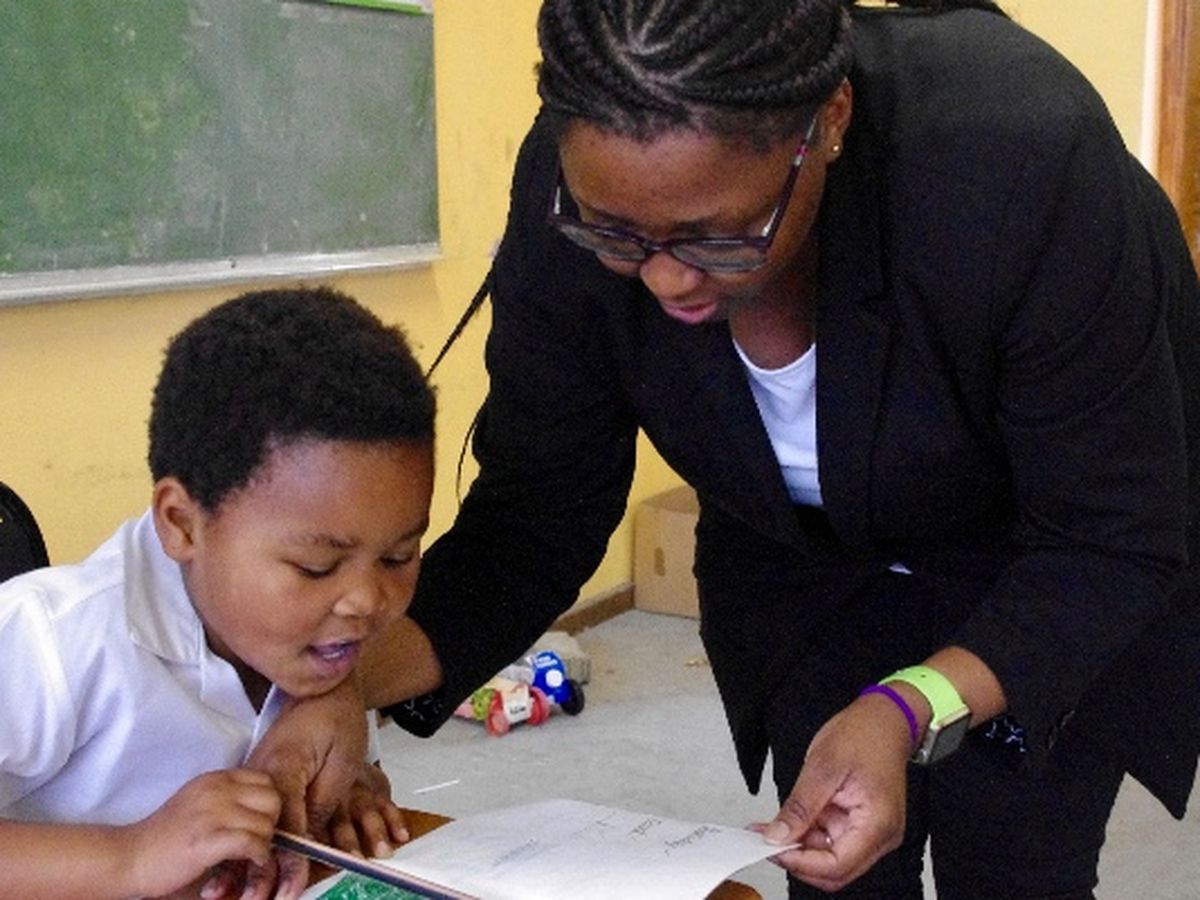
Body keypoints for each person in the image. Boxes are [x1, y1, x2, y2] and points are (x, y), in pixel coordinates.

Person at [254, 2, 1200, 897]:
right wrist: (345, 686)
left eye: (719, 237)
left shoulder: (1013, 157)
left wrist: (908, 704)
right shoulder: (580, 185)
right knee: (830, 854)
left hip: (1040, 563)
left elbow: (1106, 536)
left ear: (828, 122)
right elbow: (538, 508)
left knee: (1017, 857)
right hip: (805, 572)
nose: (665, 280)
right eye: (618, 236)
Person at [0, 286, 435, 899]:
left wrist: (342, 800)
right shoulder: (54, 638)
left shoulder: (316, 645)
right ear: (182, 524)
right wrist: (131, 856)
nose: (367, 600)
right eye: (315, 566)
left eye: (399, 556)